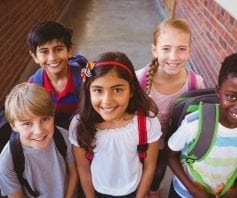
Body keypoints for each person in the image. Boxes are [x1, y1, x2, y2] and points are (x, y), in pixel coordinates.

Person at [167, 52, 237, 197]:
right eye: (232, 96)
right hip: (184, 193)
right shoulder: (194, 124)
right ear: (218, 91)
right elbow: (170, 156)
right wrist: (194, 190)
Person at [69, 51, 162, 197]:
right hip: (98, 191)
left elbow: (150, 167)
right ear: (89, 91)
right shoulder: (79, 125)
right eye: (98, 90)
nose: (107, 101)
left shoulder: (147, 123)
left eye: (117, 90)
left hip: (134, 190)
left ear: (131, 90)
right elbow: (83, 169)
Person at [136, 18, 205, 197]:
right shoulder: (138, 79)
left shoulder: (195, 83)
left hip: (171, 143)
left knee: (159, 171)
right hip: (140, 140)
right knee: (137, 170)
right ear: (154, 50)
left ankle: (153, 189)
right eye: (166, 48)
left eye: (181, 49)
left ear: (189, 50)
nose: (173, 57)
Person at [0, 82, 78, 197]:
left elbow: (73, 174)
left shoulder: (64, 138)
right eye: (27, 123)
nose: (38, 131)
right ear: (13, 126)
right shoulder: (7, 161)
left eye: (45, 119)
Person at [27, 21, 87, 129]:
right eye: (44, 52)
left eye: (58, 49)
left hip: (82, 130)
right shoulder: (33, 86)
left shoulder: (85, 78)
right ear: (35, 56)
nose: (52, 58)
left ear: (69, 51)